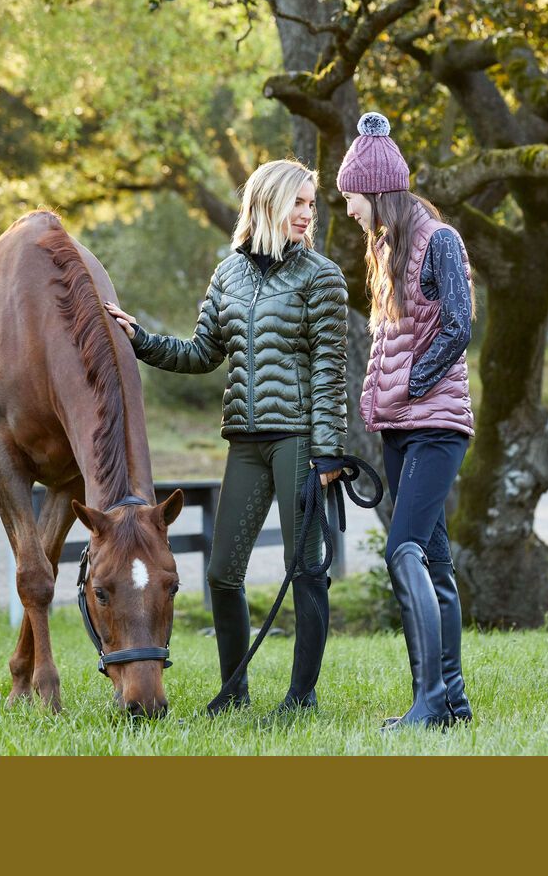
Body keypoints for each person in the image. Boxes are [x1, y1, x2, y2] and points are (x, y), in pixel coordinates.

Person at [104, 159, 347, 717]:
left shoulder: (322, 276)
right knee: (221, 573)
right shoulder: (228, 276)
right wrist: (140, 339)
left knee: (305, 567)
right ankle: (234, 692)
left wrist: (328, 448)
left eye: (313, 204)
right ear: (268, 203)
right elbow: (201, 353)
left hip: (300, 441)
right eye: (299, 203)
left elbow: (331, 368)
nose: (308, 214)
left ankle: (300, 698)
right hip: (246, 439)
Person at [337, 111, 475, 728]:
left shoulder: (439, 240)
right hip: (399, 426)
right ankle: (453, 702)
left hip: (436, 425)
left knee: (404, 550)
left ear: (376, 192)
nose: (347, 211)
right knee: (434, 565)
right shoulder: (386, 250)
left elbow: (459, 324)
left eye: (350, 199)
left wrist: (416, 386)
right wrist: (384, 408)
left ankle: (427, 703)